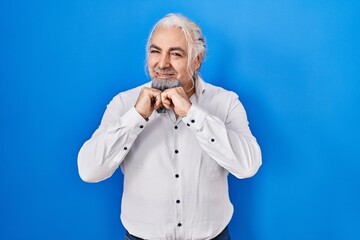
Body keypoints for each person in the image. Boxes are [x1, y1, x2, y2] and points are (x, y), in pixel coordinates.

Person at [78, 13, 262, 240]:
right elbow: (89, 171)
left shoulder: (226, 103)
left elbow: (248, 166)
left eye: (175, 54)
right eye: (155, 51)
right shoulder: (124, 103)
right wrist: (136, 116)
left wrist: (192, 113)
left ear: (197, 59)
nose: (162, 63)